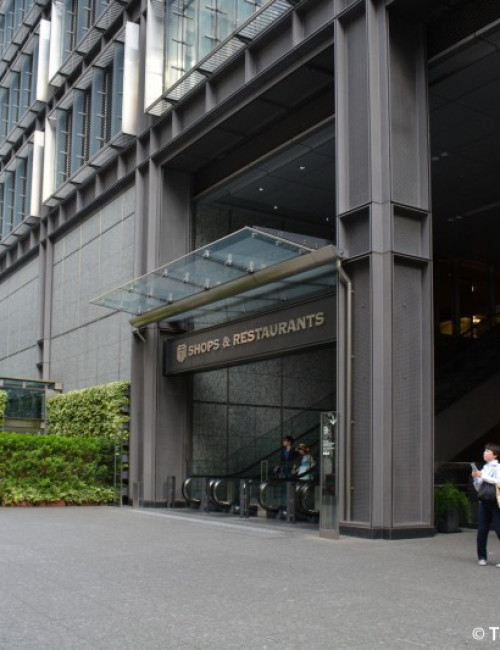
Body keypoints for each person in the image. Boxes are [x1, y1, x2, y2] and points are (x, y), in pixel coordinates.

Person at [472, 444, 500, 566]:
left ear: (495, 455)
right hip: (484, 502)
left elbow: (498, 481)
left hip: (496, 503)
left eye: (488, 451)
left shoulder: (498, 467)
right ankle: (482, 557)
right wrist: (476, 478)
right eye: (484, 451)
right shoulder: (484, 468)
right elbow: (479, 488)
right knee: (482, 531)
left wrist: (483, 476)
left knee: (499, 530)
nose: (485, 453)